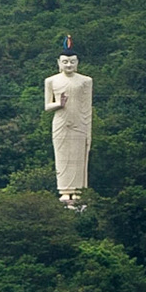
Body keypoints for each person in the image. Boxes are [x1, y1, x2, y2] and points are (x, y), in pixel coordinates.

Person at [43, 35, 93, 206]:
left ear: (77, 62)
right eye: (65, 62)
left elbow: (87, 108)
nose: (69, 65)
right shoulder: (51, 81)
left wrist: (88, 131)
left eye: (72, 62)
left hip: (79, 123)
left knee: (78, 158)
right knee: (62, 158)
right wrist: (59, 103)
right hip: (61, 123)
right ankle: (64, 191)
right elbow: (47, 106)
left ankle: (77, 192)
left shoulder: (86, 81)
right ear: (59, 63)